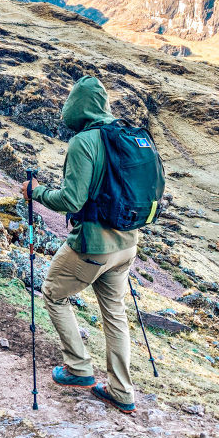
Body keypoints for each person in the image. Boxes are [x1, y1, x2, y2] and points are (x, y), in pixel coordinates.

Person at [21, 76, 138, 414]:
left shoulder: (83, 142)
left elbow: (71, 199)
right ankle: (121, 391)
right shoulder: (122, 136)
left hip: (94, 244)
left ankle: (78, 368)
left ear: (77, 107)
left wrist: (36, 192)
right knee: (114, 313)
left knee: (54, 293)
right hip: (127, 244)